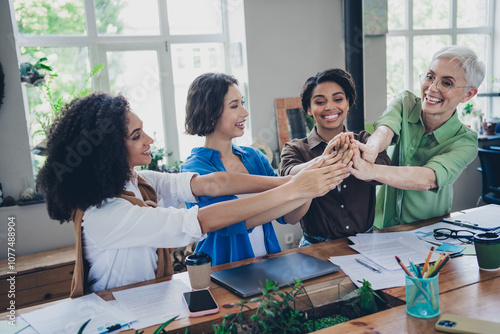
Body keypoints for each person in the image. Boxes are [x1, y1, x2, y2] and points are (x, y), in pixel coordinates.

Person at [36, 92, 347, 296]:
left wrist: (303, 175)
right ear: (107, 152)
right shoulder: (106, 213)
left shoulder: (138, 180)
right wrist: (296, 186)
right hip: (117, 315)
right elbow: (202, 220)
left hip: (149, 304)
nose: (149, 139)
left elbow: (214, 184)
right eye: (136, 136)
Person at [181, 73, 350, 264]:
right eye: (235, 106)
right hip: (223, 269)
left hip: (269, 265)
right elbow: (231, 224)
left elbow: (289, 216)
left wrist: (313, 184)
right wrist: (303, 183)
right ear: (210, 113)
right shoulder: (194, 171)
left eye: (242, 103)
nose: (244, 112)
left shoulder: (255, 157)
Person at [350, 45, 485, 228]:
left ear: (468, 94)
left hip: (428, 233)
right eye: (430, 77)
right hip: (380, 227)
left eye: (447, 83)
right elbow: (385, 130)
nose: (432, 88)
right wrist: (371, 148)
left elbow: (427, 178)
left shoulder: (465, 141)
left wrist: (371, 171)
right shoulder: (405, 103)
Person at [279, 68, 391, 246]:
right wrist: (324, 159)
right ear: (309, 109)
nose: (330, 107)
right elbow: (288, 176)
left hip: (367, 244)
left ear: (348, 103)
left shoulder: (364, 140)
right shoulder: (295, 149)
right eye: (320, 101)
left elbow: (384, 170)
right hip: (316, 249)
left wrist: (357, 157)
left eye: (338, 99)